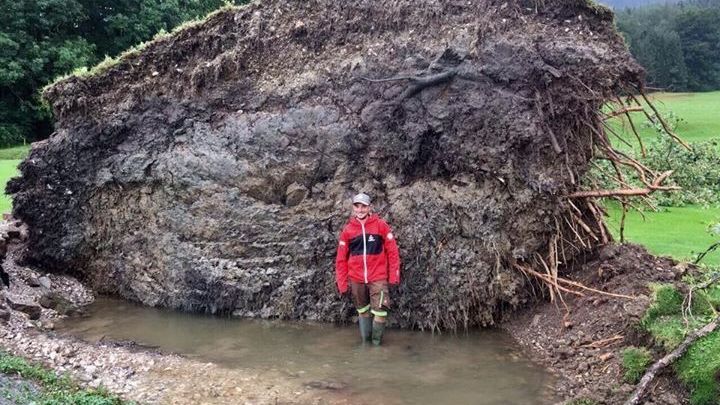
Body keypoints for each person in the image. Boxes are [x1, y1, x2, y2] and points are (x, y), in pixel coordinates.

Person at [335, 192, 401, 345]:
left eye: (363, 206)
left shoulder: (381, 226)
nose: (360, 210)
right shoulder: (348, 230)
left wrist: (394, 276)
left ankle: (376, 345)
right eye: (357, 206)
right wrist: (342, 284)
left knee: (381, 312)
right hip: (356, 278)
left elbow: (393, 252)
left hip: (378, 277)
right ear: (353, 208)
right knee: (362, 311)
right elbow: (341, 260)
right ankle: (366, 344)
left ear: (369, 207)